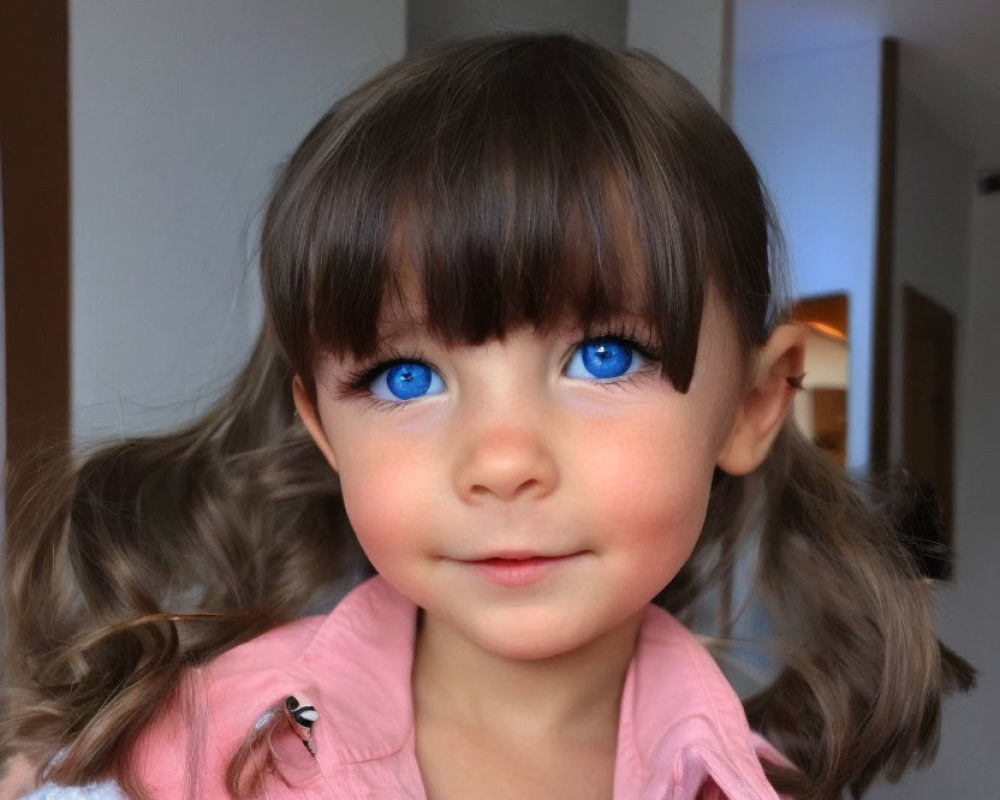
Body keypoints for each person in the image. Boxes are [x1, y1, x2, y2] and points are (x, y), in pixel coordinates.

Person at [0, 33, 973, 800]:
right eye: (405, 378)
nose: (501, 461)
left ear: (754, 405)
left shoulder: (739, 779)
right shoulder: (198, 747)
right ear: (322, 427)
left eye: (604, 355)